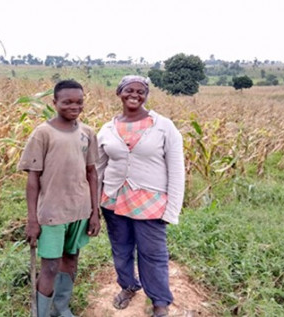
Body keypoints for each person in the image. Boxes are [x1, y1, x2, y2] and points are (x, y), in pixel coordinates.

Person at [96, 75, 185, 317]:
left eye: (140, 91)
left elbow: (176, 170)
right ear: (119, 93)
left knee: (153, 254)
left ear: (146, 95)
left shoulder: (163, 126)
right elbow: (98, 169)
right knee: (121, 249)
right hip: (113, 201)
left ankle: (159, 301)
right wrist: (94, 205)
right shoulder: (107, 129)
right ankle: (128, 286)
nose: (134, 95)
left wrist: (172, 210)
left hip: (151, 203)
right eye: (129, 90)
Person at [18, 79, 101, 317]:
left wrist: (95, 213)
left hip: (80, 210)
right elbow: (33, 180)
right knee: (50, 265)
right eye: (67, 102)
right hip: (52, 213)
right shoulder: (42, 134)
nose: (73, 106)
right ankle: (41, 313)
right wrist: (32, 219)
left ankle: (61, 309)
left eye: (79, 102)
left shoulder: (87, 133)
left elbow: (91, 173)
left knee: (71, 259)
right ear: (54, 103)